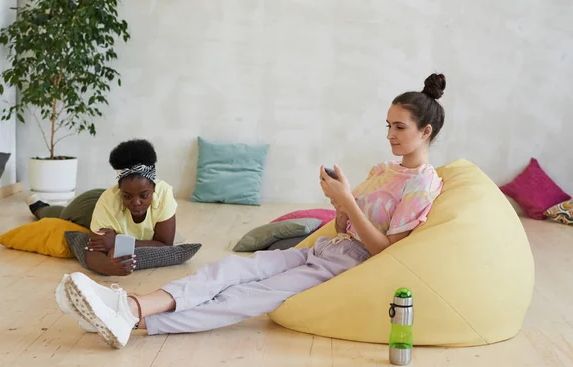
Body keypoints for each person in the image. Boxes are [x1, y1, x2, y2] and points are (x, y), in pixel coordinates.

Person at [55, 73, 447, 349]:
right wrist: (340, 204)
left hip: (349, 264)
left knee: (244, 295)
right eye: (388, 126)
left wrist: (347, 203)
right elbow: (348, 225)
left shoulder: (423, 184)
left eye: (399, 127)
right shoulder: (384, 171)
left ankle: (131, 313)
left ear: (425, 132)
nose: (390, 135)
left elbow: (384, 250)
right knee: (229, 269)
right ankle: (126, 309)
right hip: (325, 249)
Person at [31, 139, 178, 276]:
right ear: (120, 189)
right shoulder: (108, 202)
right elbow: (93, 250)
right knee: (62, 213)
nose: (136, 202)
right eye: (127, 196)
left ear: (154, 188)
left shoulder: (164, 193)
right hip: (87, 205)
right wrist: (108, 267)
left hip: (110, 209)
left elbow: (165, 245)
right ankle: (38, 207)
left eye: (144, 195)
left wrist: (117, 243)